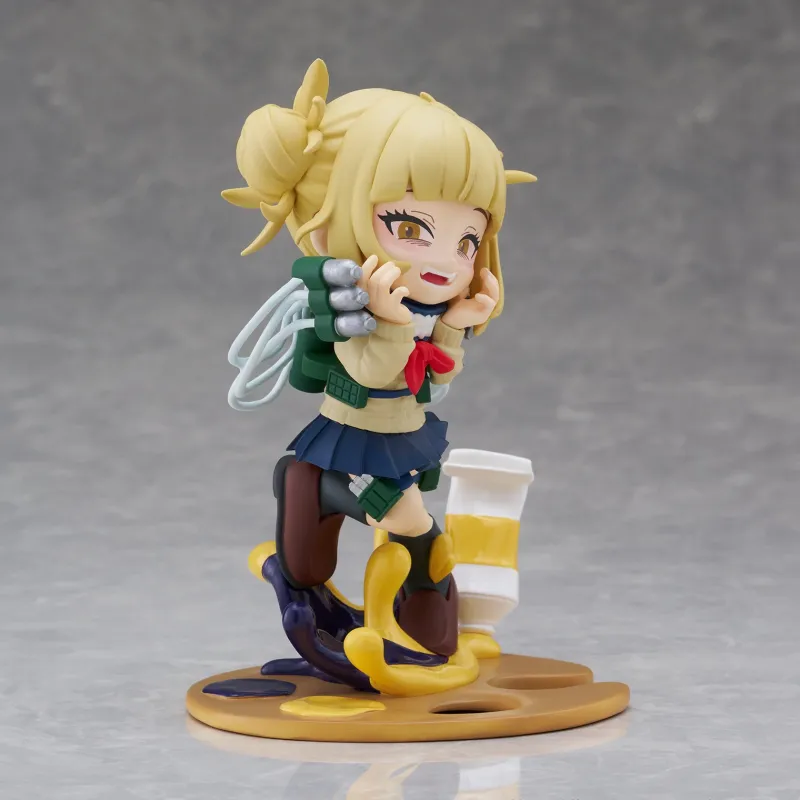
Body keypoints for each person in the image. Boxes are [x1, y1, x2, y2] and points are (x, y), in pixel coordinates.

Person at [223, 59, 535, 657]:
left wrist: (452, 327)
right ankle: (418, 629)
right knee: (416, 531)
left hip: (399, 432)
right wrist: (393, 324)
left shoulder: (417, 311)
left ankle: (317, 497)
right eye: (410, 228)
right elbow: (369, 370)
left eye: (466, 240)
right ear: (327, 229)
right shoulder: (354, 305)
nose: (445, 259)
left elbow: (432, 382)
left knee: (412, 530)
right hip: (358, 433)